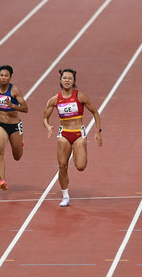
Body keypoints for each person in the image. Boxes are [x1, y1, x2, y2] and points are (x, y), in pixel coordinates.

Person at [43, 69, 102, 207]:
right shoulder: (54, 99)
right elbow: (45, 117)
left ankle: (78, 151)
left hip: (78, 134)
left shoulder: (80, 96)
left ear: (74, 81)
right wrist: (47, 126)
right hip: (63, 134)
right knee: (62, 166)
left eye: (70, 78)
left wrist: (98, 131)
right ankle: (65, 196)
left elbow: (95, 113)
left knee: (80, 166)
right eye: (64, 78)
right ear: (60, 80)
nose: (67, 80)